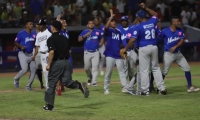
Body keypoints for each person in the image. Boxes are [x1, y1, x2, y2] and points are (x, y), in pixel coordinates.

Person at [43, 20, 89, 111]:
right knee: (67, 81)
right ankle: (79, 85)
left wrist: (48, 64)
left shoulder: (51, 39)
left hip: (57, 62)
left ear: (53, 28)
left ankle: (50, 106)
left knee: (51, 84)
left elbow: (52, 52)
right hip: (67, 62)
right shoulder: (65, 38)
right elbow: (69, 51)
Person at [123, 3, 167, 96]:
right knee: (155, 68)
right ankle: (162, 88)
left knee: (144, 70)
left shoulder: (138, 26)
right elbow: (155, 14)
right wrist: (146, 8)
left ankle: (145, 91)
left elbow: (132, 39)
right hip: (154, 47)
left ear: (138, 18)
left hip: (144, 48)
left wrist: (125, 48)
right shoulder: (152, 22)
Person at [157, 16, 200, 93]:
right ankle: (160, 88)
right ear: (173, 23)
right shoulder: (165, 31)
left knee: (187, 68)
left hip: (178, 53)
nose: (179, 23)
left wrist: (175, 46)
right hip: (168, 54)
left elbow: (181, 40)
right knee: (164, 72)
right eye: (178, 21)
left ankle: (190, 86)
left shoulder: (180, 30)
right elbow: (159, 38)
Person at [103, 9, 127, 95]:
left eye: (114, 21)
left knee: (122, 72)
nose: (113, 22)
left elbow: (121, 44)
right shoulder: (108, 31)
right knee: (109, 72)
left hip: (118, 55)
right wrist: (111, 17)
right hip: (110, 54)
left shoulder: (118, 32)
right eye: (112, 21)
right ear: (109, 22)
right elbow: (105, 27)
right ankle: (106, 88)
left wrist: (123, 50)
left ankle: (124, 87)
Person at [78, 18, 104, 86]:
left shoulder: (97, 31)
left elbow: (102, 38)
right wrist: (85, 35)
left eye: (92, 23)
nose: (91, 25)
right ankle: (89, 77)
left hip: (96, 52)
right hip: (87, 52)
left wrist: (101, 43)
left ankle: (94, 82)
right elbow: (79, 40)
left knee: (95, 68)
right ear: (87, 25)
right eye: (90, 23)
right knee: (86, 68)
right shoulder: (84, 31)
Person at [14, 20, 36, 91]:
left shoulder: (33, 35)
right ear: (26, 25)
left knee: (33, 70)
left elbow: (35, 44)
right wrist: (20, 46)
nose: (32, 25)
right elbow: (15, 42)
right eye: (30, 24)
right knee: (24, 70)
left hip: (31, 54)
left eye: (32, 24)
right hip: (23, 54)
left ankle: (28, 86)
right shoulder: (21, 33)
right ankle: (16, 79)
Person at [33, 18, 52, 89]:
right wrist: (34, 55)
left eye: (41, 25)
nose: (39, 26)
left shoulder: (49, 34)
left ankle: (51, 85)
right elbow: (37, 46)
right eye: (39, 25)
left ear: (44, 25)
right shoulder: (38, 35)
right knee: (44, 71)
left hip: (48, 53)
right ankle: (48, 86)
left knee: (50, 70)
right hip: (42, 54)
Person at [117, 16, 134, 82]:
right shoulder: (119, 30)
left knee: (131, 68)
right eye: (122, 21)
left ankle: (132, 82)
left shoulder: (131, 28)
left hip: (132, 51)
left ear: (127, 21)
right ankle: (125, 83)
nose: (123, 22)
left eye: (125, 21)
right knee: (125, 68)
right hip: (123, 51)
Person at [32, 21, 44, 89]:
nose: (39, 25)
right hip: (36, 50)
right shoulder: (33, 33)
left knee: (45, 67)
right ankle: (41, 83)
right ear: (36, 25)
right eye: (37, 24)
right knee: (38, 67)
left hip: (44, 50)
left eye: (40, 24)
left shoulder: (44, 32)